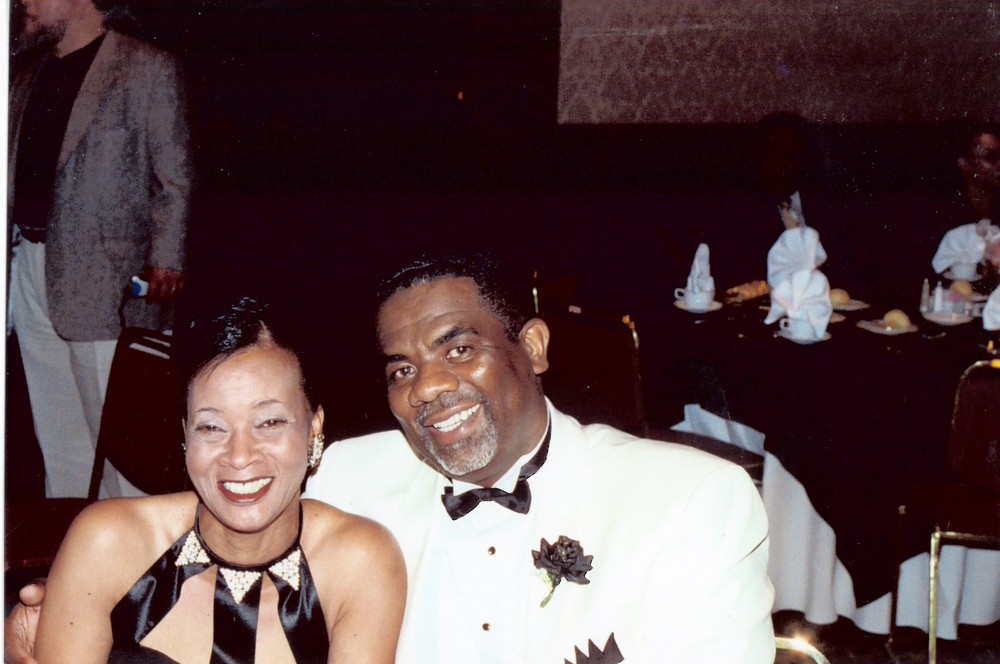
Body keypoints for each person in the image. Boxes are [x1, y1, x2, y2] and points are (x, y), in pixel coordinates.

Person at [6, 256, 774, 663]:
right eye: (402, 368)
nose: (428, 388)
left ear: (534, 347)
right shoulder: (345, 475)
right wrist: (66, 594)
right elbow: (229, 495)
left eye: (459, 349)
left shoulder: (688, 501)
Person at [23, 297, 406, 663]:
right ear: (185, 435)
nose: (239, 455)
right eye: (211, 427)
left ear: (313, 428)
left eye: (269, 423)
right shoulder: (109, 541)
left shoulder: (358, 563)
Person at [7, 0, 193, 498]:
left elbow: (174, 178)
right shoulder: (24, 75)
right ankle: (71, 535)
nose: (24, 3)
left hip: (110, 280)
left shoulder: (146, 66)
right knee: (57, 433)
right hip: (28, 267)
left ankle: (135, 542)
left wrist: (167, 261)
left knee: (122, 441)